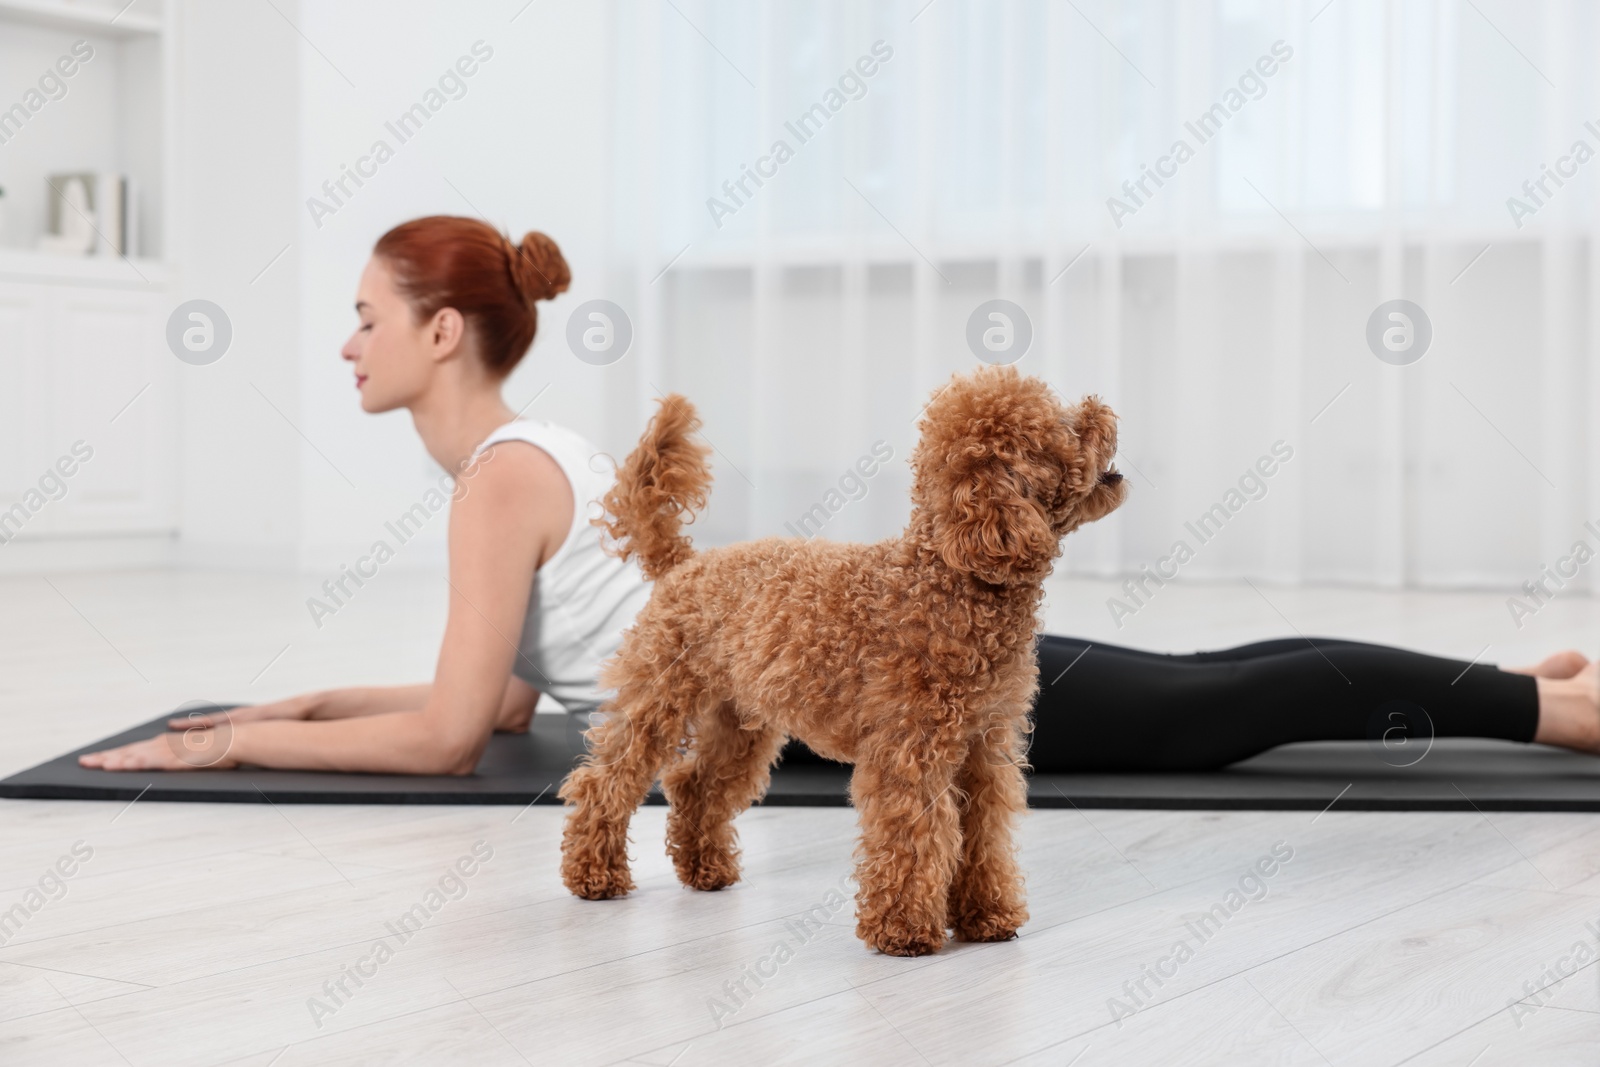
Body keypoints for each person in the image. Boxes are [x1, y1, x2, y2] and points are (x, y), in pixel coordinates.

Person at [79, 216, 1600, 774]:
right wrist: (294, 701)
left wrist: (231, 746)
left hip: (847, 684)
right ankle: (1511, 684)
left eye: (363, 313)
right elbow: (477, 702)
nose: (342, 342)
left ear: (439, 331)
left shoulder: (496, 484)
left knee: (1210, 716)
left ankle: (1546, 712)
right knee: (1200, 692)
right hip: (812, 665)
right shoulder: (522, 458)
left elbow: (442, 736)